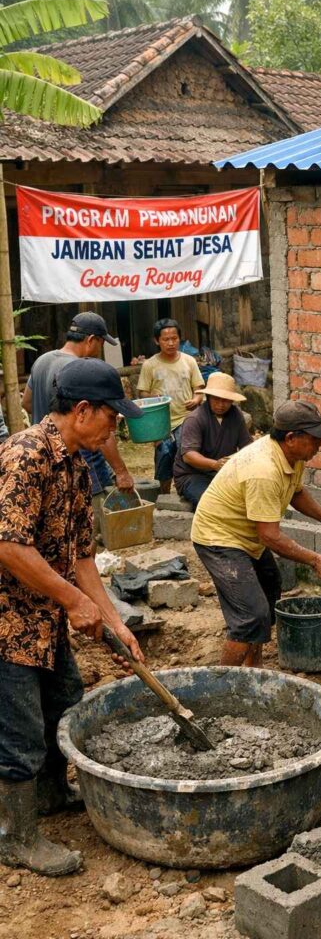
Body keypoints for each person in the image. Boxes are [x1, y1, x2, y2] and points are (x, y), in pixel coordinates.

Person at [0, 358, 145, 877]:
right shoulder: (26, 455)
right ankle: (17, 837)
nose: (116, 428)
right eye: (113, 417)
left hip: (44, 616)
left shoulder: (78, 468)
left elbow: (83, 556)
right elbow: (9, 546)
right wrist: (74, 603)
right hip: (6, 619)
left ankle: (49, 795)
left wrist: (113, 620)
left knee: (64, 698)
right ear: (83, 411)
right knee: (18, 730)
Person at [191, 400, 321, 668]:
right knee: (250, 615)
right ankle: (218, 683)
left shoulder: (292, 456)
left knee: (269, 587)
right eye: (315, 439)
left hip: (246, 537)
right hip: (218, 538)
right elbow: (270, 536)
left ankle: (253, 668)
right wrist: (316, 559)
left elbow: (296, 492)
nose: (319, 445)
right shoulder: (263, 470)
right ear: (291, 438)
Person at [23, 312, 135, 521]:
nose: (99, 351)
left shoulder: (42, 360)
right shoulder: (80, 372)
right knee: (88, 521)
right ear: (92, 340)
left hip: (48, 455)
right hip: (78, 456)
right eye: (101, 344)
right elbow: (100, 427)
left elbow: (27, 403)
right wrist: (121, 471)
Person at [136, 318, 204, 494]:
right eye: (166, 339)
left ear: (179, 339)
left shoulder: (189, 361)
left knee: (187, 456)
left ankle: (186, 491)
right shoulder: (150, 365)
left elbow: (199, 388)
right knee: (164, 457)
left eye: (174, 338)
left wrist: (196, 399)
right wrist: (152, 396)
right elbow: (142, 393)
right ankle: (163, 495)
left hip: (186, 419)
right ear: (156, 341)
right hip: (161, 423)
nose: (171, 343)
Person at [173, 372, 252, 510]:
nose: (221, 405)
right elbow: (189, 456)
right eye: (216, 399)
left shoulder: (236, 415)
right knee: (211, 503)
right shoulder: (195, 419)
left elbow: (248, 446)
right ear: (208, 397)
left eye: (226, 400)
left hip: (222, 474)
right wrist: (214, 464)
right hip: (192, 476)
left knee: (246, 499)